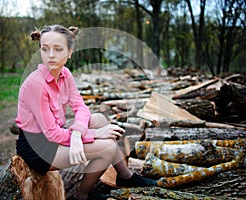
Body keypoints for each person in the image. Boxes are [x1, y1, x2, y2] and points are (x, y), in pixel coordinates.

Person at [15, 24, 157, 200]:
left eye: (58, 49)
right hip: (38, 148)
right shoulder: (36, 84)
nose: (50, 55)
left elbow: (81, 107)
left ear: (69, 52)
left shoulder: (65, 74)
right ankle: (82, 196)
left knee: (98, 119)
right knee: (108, 147)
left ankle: (125, 175)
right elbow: (51, 134)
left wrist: (77, 135)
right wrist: (94, 134)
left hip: (54, 137)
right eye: (45, 49)